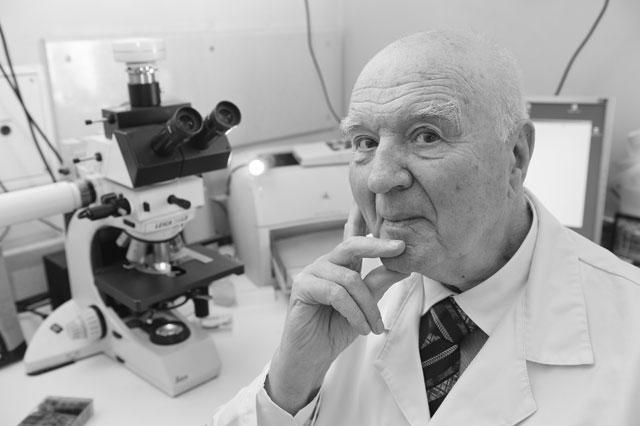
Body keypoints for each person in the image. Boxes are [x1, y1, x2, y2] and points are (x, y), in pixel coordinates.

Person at [214, 30, 640, 425]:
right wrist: (290, 381)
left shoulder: (629, 337)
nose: (379, 178)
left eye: (426, 136)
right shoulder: (343, 299)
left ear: (516, 156)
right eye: (365, 142)